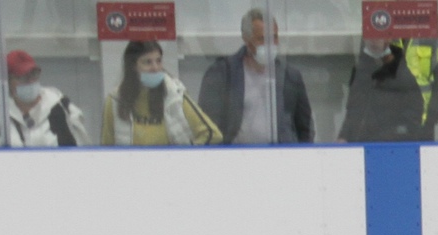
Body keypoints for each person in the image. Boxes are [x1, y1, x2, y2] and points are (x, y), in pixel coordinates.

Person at [201, 8, 313, 145]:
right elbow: (208, 126)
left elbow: (305, 127)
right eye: (262, 39)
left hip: (281, 154)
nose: (270, 44)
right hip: (237, 154)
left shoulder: (290, 76)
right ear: (247, 39)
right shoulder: (222, 74)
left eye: (274, 37)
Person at [341, 25, 438, 141]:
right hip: (379, 127)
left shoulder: (436, 25)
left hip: (420, 127)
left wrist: (429, 121)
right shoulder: (378, 21)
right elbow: (361, 82)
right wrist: (347, 132)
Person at [101, 41, 220, 145]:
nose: (155, 68)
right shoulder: (115, 101)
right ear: (133, 66)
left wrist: (183, 157)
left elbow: (213, 135)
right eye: (147, 62)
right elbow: (106, 148)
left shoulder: (175, 95)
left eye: (158, 61)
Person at [0, 49, 88, 147]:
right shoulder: (1, 113)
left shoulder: (60, 107)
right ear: (8, 82)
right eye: (23, 77)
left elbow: (83, 150)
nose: (31, 81)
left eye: (34, 74)